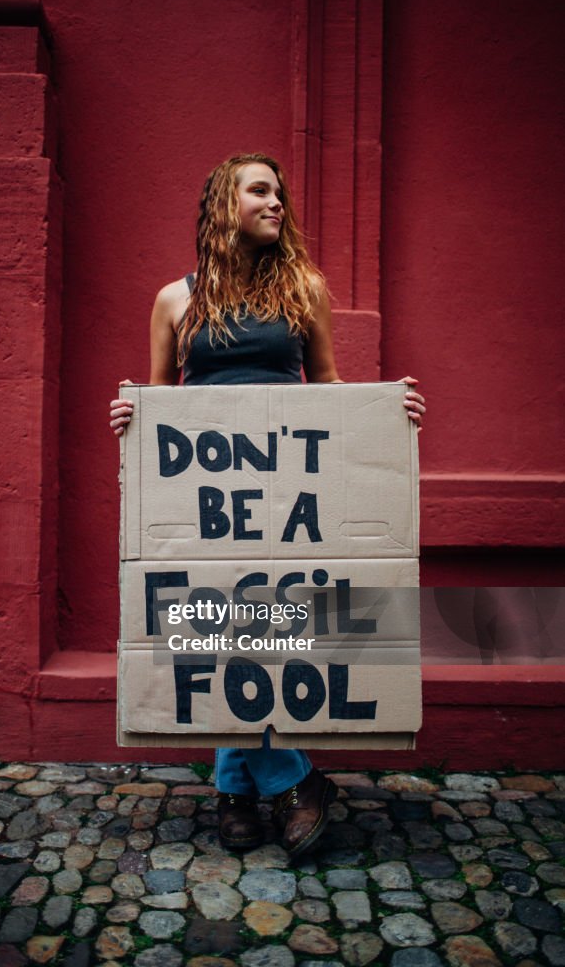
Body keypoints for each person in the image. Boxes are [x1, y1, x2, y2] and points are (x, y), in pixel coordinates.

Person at [110, 153, 426, 858]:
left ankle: (233, 788)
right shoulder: (173, 300)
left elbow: (329, 388)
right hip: (205, 494)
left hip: (286, 494)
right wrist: (132, 418)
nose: (276, 202)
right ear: (225, 204)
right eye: (260, 191)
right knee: (216, 622)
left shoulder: (303, 289)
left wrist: (385, 410)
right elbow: (161, 398)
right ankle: (291, 779)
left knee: (261, 628)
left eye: (278, 193)